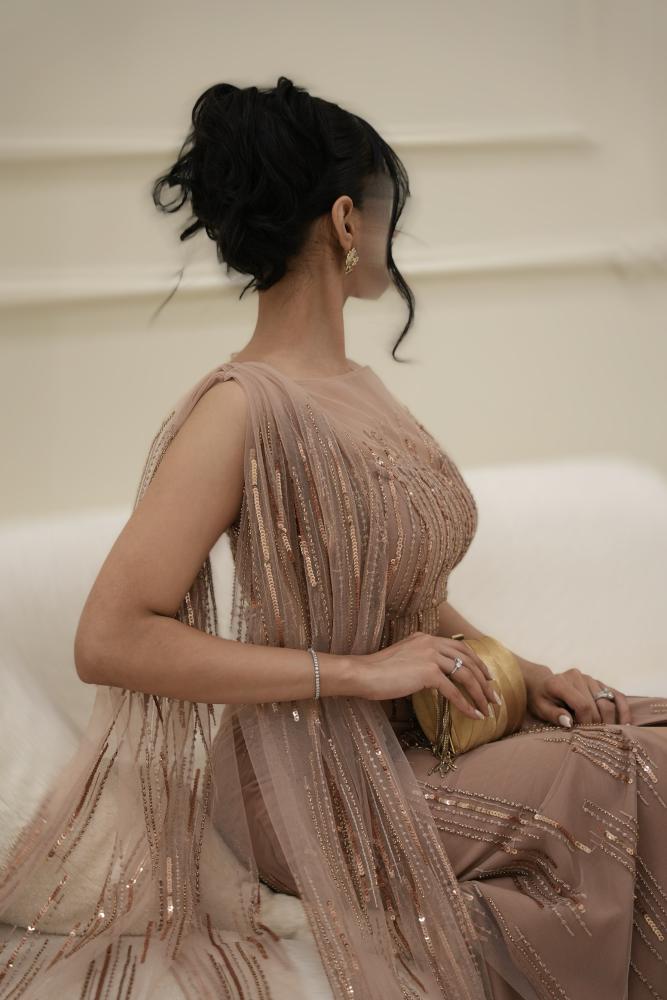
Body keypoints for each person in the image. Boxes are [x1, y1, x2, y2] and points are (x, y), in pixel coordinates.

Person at [1, 76, 665, 1000]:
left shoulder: (361, 387)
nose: (394, 242)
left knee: (639, 731)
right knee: (620, 776)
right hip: (296, 779)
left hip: (411, 739)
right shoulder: (239, 409)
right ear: (348, 220)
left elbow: (403, 593)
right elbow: (109, 637)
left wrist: (526, 672)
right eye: (390, 216)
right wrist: (357, 672)